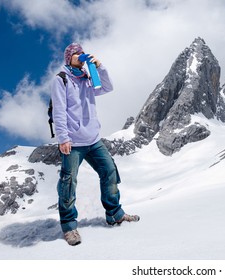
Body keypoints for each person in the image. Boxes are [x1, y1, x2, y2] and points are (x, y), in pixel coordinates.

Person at [51, 42, 139, 246]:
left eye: (82, 52)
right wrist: (63, 138)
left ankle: (115, 214)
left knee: (109, 171)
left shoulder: (88, 78)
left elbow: (108, 87)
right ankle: (69, 226)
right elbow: (59, 110)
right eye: (76, 53)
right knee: (68, 181)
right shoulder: (61, 79)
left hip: (93, 139)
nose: (80, 55)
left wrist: (99, 66)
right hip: (73, 141)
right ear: (68, 58)